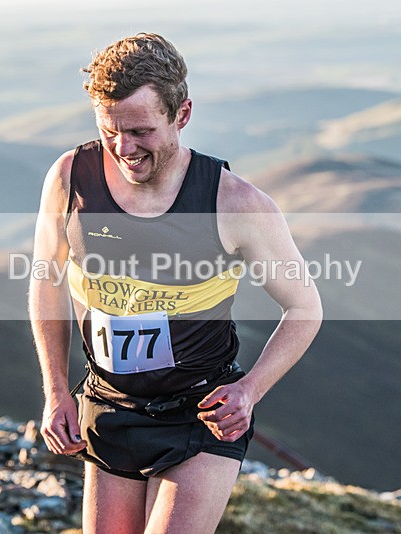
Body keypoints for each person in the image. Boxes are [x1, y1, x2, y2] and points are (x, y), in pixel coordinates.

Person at [29, 33, 322, 534]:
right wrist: (57, 389)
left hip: (200, 415)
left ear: (181, 114)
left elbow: (304, 308)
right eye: (110, 130)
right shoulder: (69, 179)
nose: (124, 148)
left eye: (141, 130)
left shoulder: (236, 205)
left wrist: (249, 391)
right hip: (108, 403)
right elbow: (47, 280)